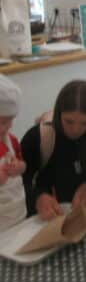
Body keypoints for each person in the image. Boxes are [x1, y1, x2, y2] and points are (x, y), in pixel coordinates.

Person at [21, 80, 86, 219]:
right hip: (49, 219)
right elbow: (17, 183)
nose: (75, 130)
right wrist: (37, 197)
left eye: (84, 123)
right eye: (68, 121)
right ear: (58, 113)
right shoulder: (39, 138)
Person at [0, 74, 26, 232]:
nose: (9, 126)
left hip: (17, 212)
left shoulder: (12, 141)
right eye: (2, 122)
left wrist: (20, 167)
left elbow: (24, 165)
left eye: (11, 120)